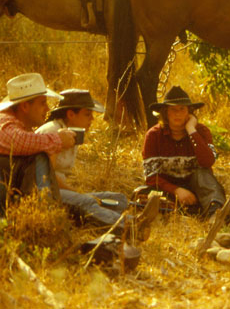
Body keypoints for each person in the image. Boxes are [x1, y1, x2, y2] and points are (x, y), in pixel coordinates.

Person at [36, 89, 158, 240]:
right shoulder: (53, 132)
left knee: (118, 198)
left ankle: (110, 217)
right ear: (71, 114)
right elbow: (47, 177)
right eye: (87, 114)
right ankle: (131, 227)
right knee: (86, 201)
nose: (92, 119)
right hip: (44, 194)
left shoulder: (72, 132)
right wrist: (77, 193)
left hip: (59, 191)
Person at [142, 86, 226, 218]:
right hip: (168, 188)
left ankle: (216, 216)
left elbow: (208, 161)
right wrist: (176, 190)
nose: (178, 114)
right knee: (146, 195)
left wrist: (191, 130)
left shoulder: (202, 131)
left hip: (198, 189)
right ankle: (178, 212)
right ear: (165, 113)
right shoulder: (153, 135)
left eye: (182, 109)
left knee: (204, 176)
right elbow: (150, 176)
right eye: (173, 109)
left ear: (190, 112)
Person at [0, 73, 73, 215]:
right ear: (25, 106)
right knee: (39, 155)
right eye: (42, 103)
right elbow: (18, 141)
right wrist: (57, 140)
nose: (47, 109)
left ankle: (43, 210)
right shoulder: (4, 121)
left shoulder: (21, 126)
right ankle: (44, 211)